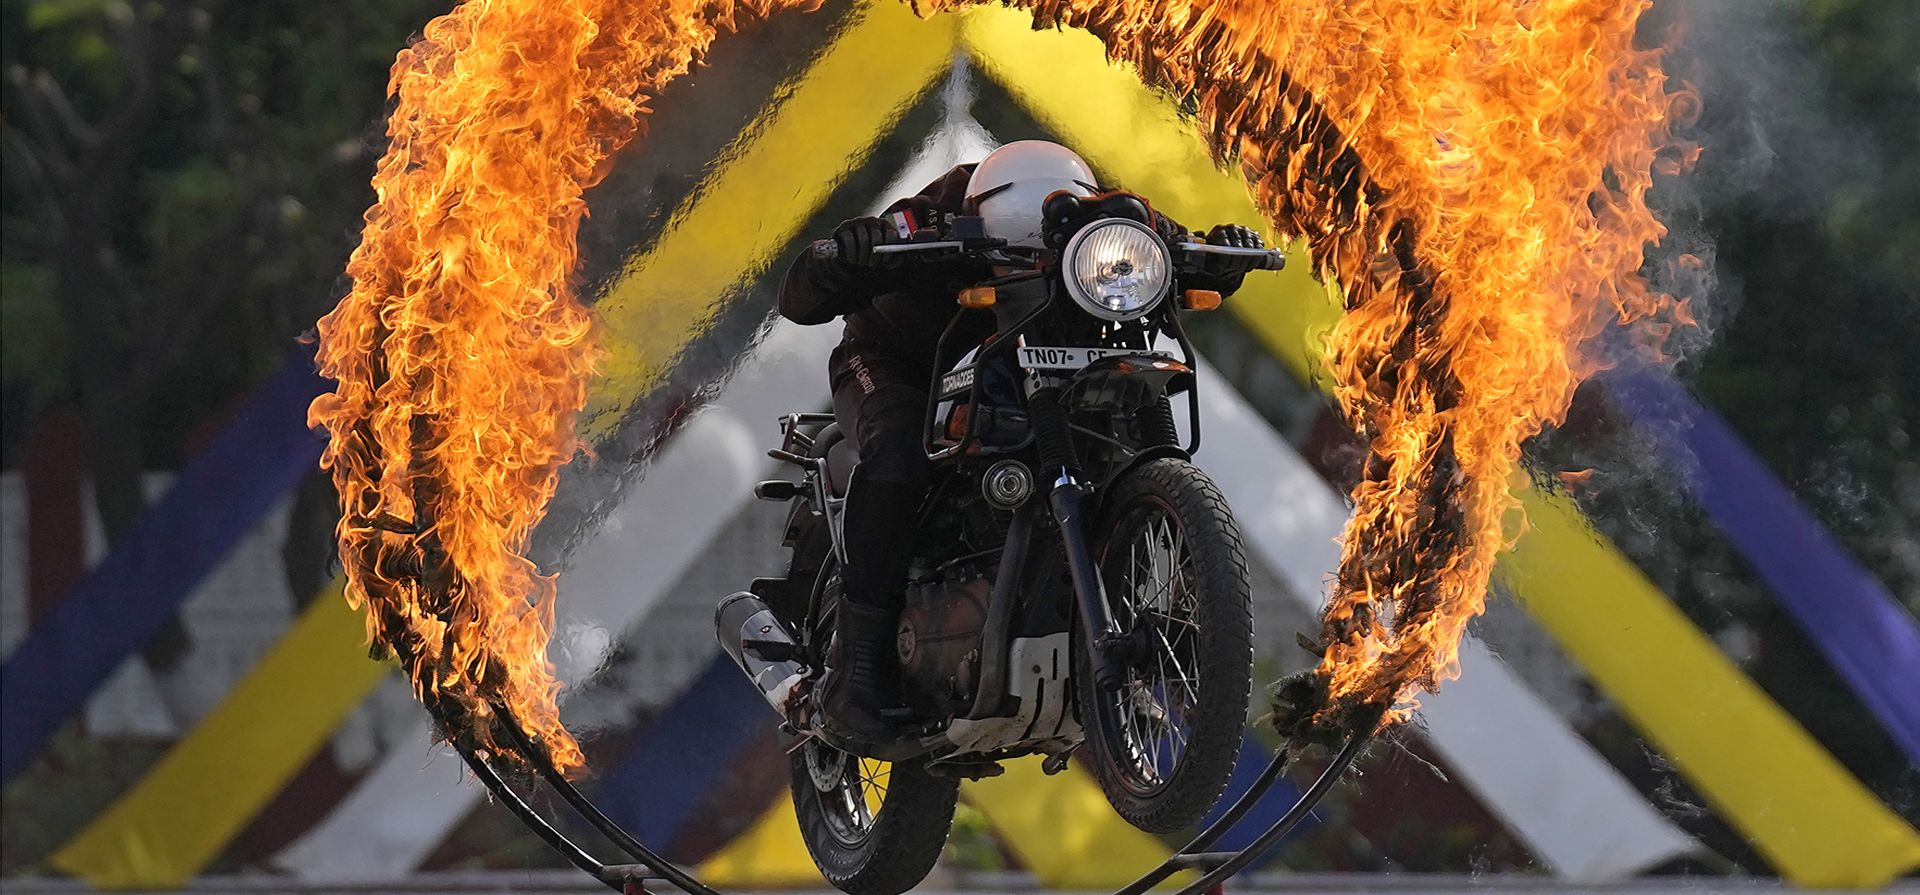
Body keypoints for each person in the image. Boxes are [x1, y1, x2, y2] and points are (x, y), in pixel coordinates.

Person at [776, 141, 1265, 744]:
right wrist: (845, 254)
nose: (1026, 269)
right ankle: (857, 668)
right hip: (899, 362)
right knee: (899, 455)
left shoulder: (1113, 212)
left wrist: (1223, 256)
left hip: (1046, 365)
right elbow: (799, 298)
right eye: (1012, 262)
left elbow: (1176, 249)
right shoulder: (933, 212)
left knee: (1113, 443)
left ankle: (1128, 637)